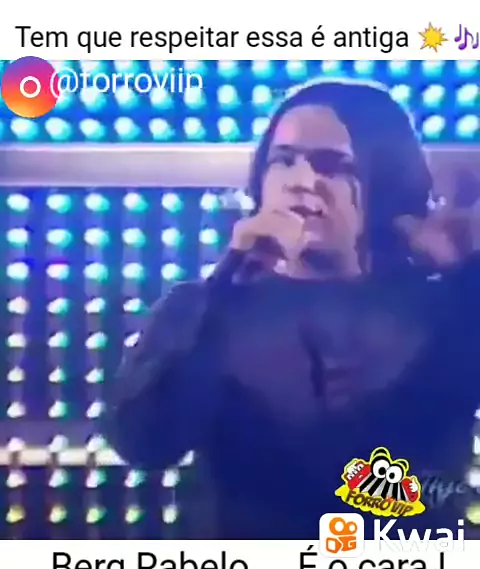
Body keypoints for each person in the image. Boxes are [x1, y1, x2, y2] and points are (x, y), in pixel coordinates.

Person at [102, 79, 480, 539]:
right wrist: (226, 285)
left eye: (333, 166)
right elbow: (143, 442)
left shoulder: (444, 308)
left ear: (385, 181)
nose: (302, 181)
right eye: (283, 160)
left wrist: (469, 276)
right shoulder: (204, 305)